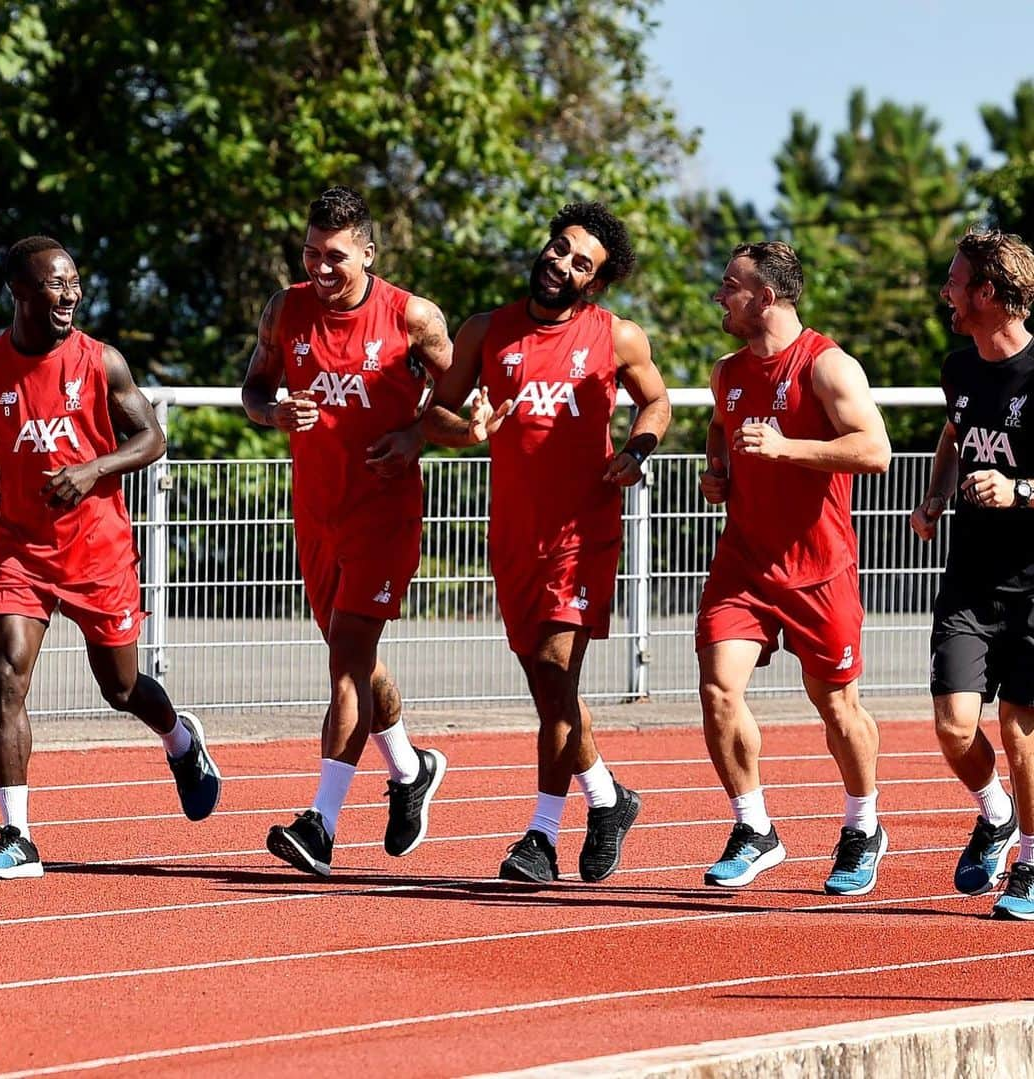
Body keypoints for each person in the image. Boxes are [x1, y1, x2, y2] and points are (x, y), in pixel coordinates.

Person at [0, 235, 221, 879]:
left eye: (75, 283)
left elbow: (151, 437)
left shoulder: (102, 363)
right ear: (20, 292)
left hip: (97, 550)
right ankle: (17, 834)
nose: (71, 294)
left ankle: (180, 740)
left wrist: (92, 469)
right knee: (7, 673)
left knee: (121, 688)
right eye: (56, 284)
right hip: (20, 548)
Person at [421, 202, 670, 884]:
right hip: (514, 534)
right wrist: (466, 427)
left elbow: (657, 400)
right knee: (545, 686)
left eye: (580, 261)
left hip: (581, 531)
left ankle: (540, 835)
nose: (561, 262)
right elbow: (435, 413)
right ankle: (609, 799)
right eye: (559, 248)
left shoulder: (615, 336)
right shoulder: (486, 331)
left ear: (594, 282)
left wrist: (638, 448)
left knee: (559, 673)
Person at [243, 187, 452, 877]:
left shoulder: (412, 317)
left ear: (367, 249)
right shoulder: (286, 308)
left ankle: (321, 823)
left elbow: (467, 406)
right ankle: (410, 767)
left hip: (384, 514)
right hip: (317, 511)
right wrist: (273, 413)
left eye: (335, 255)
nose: (321, 267)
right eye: (311, 253)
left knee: (347, 658)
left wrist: (415, 433)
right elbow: (253, 389)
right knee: (353, 656)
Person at [697, 241, 891, 896]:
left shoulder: (827, 366)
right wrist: (717, 470)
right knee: (720, 687)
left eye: (730, 286)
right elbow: (721, 427)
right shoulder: (726, 372)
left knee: (836, 704)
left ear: (766, 298)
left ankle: (863, 825)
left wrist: (786, 449)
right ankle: (754, 827)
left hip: (819, 567)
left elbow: (874, 450)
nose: (719, 296)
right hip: (745, 563)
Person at [911, 228, 1034, 920]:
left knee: (1020, 727)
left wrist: (1019, 492)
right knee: (955, 727)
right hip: (970, 580)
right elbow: (953, 438)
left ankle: (1031, 863)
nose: (946, 292)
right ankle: (997, 816)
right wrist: (937, 493)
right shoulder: (958, 369)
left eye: (955, 281)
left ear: (988, 293)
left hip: (1033, 586)